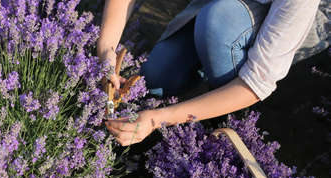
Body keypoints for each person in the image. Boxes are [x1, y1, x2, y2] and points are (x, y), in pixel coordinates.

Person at [98, 0, 323, 146]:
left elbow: (257, 83)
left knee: (218, 21)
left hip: (295, 21)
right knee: (155, 79)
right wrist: (106, 50)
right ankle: (212, 62)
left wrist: (157, 119)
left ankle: (225, 121)